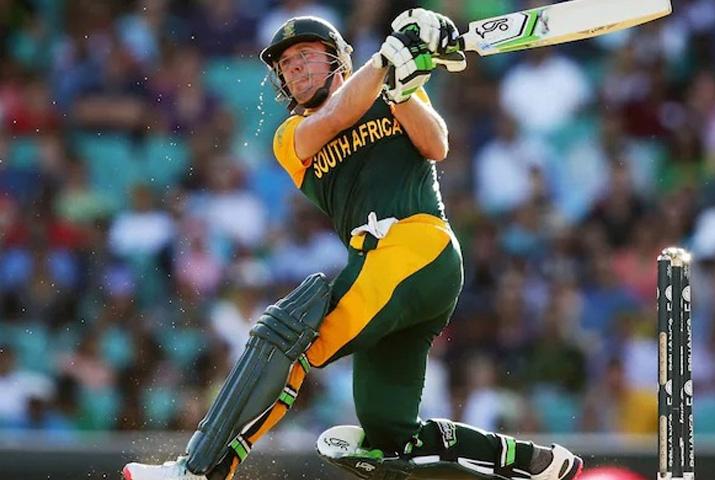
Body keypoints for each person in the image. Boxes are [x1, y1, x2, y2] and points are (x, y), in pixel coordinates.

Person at [123, 9, 583, 480]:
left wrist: (402, 89)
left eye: (305, 56)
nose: (295, 69)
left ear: (336, 58)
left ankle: (198, 469)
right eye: (286, 65)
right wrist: (387, 60)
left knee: (289, 336)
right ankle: (531, 463)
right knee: (389, 434)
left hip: (419, 246)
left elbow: (436, 144)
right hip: (384, 271)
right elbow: (338, 114)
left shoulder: (392, 89)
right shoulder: (289, 136)